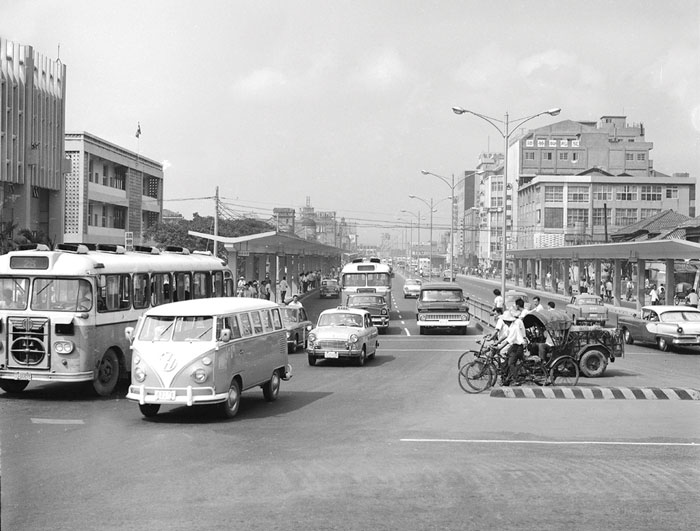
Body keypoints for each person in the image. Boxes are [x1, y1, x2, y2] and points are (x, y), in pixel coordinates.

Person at [494, 310, 527, 386]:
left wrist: (500, 347)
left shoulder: (514, 328)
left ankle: (516, 379)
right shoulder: (510, 327)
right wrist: (497, 342)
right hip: (513, 347)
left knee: (510, 363)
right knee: (505, 360)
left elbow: (508, 341)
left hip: (518, 347)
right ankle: (506, 378)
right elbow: (505, 336)